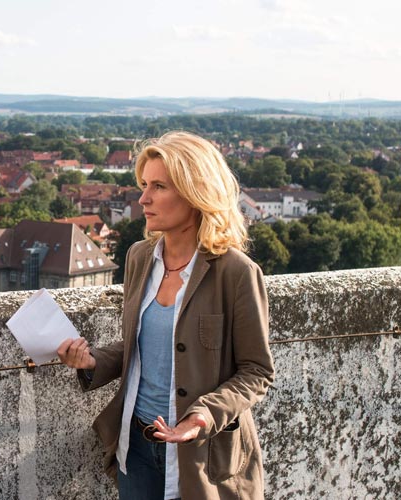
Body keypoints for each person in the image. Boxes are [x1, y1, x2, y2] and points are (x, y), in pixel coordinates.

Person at [58, 131, 275, 500]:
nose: (143, 198)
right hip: (137, 447)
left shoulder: (236, 272)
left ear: (195, 193)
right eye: (144, 185)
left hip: (203, 456)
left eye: (159, 186)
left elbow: (256, 371)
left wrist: (203, 415)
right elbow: (141, 346)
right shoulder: (140, 257)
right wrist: (93, 360)